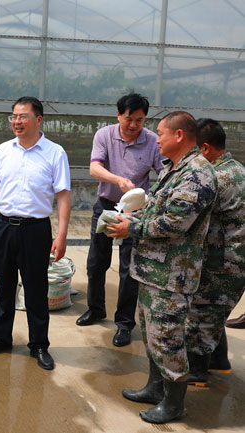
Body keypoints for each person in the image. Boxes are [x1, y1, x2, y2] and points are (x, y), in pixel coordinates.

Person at [108, 111, 217, 424]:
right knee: (152, 334)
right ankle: (155, 388)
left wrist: (132, 228)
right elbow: (157, 208)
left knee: (168, 338)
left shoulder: (197, 174)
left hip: (172, 275)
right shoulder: (174, 168)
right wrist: (134, 218)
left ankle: (174, 403)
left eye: (161, 133)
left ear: (179, 135)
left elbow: (174, 223)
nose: (156, 140)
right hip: (154, 271)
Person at [0, 96, 71, 371]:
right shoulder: (3, 151)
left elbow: (63, 197)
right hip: (3, 227)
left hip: (35, 230)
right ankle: (1, 338)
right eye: (14, 117)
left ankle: (39, 345)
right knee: (4, 286)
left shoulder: (55, 153)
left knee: (36, 290)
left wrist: (61, 235)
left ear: (38, 120)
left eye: (23, 116)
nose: (17, 122)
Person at [76, 93, 163, 347]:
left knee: (129, 268)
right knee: (96, 262)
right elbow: (94, 167)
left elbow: (165, 173)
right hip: (106, 206)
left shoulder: (152, 141)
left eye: (140, 120)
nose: (134, 125)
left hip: (136, 211)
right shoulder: (104, 135)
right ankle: (95, 309)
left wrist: (149, 201)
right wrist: (118, 180)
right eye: (129, 119)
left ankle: (125, 323)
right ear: (118, 115)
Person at [185, 119, 245, 385]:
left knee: (201, 316)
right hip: (234, 261)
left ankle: (197, 373)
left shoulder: (216, 178)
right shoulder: (237, 170)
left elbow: (189, 216)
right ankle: (219, 363)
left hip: (222, 262)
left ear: (206, 148)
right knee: (214, 313)